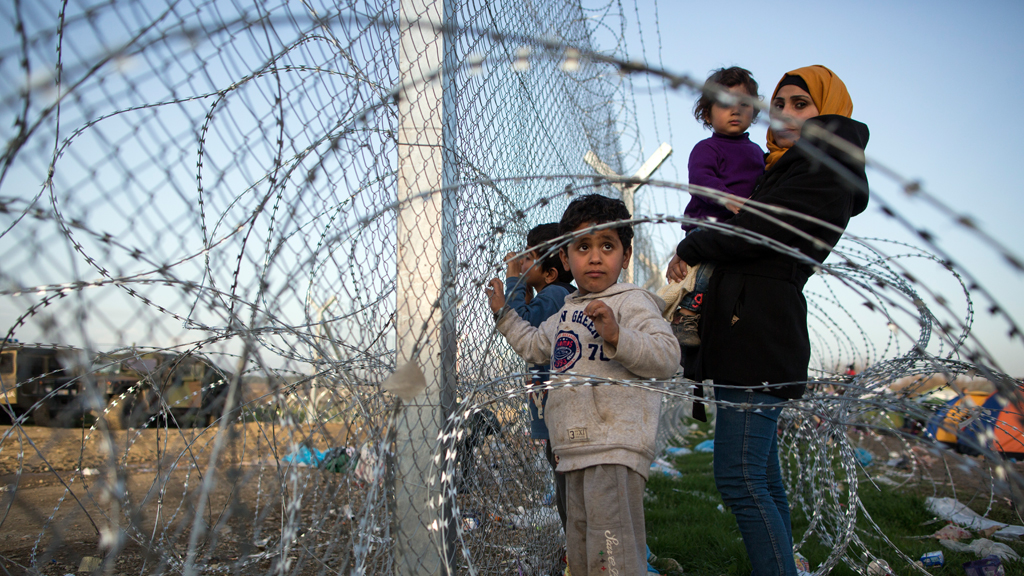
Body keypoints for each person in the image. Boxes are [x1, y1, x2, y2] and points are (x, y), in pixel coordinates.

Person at [667, 65, 869, 576]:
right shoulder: (784, 167)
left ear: (829, 110)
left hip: (758, 331)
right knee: (759, 478)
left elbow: (758, 232)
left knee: (739, 477)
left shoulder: (823, 164)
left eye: (800, 103)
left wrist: (690, 243)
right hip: (753, 326)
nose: (784, 114)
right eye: (779, 105)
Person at [486, 194, 679, 576]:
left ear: (625, 256)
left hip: (614, 448)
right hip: (571, 449)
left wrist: (618, 335)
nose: (595, 257)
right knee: (581, 549)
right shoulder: (565, 311)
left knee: (613, 556)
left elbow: (666, 356)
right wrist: (504, 315)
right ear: (564, 258)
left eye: (607, 246)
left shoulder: (632, 302)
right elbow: (533, 346)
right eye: (583, 246)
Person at [672, 67, 765, 347]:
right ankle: (686, 312)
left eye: (743, 104)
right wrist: (728, 199)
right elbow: (701, 180)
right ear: (708, 113)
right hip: (708, 223)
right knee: (709, 267)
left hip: (738, 227)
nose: (734, 111)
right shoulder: (707, 148)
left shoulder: (758, 153)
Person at [502, 222, 576, 531]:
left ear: (550, 273)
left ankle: (580, 550)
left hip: (560, 415)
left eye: (529, 256)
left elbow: (522, 321)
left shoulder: (557, 294)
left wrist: (513, 279)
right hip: (557, 409)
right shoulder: (557, 295)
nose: (521, 260)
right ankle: (580, 547)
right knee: (568, 486)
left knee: (569, 491)